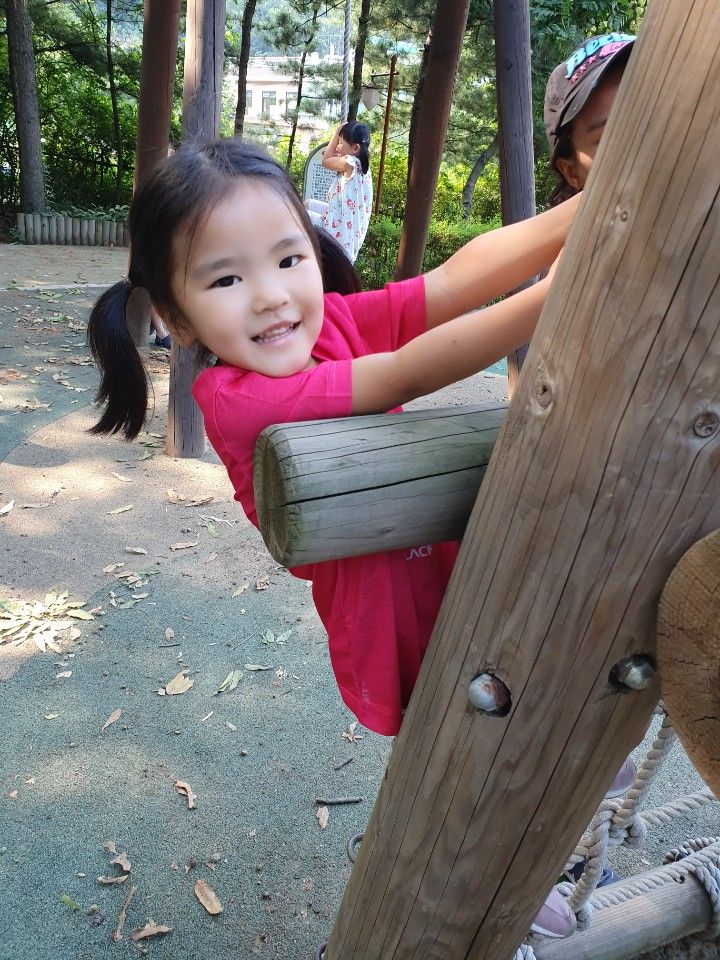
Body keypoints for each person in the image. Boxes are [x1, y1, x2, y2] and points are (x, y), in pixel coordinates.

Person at [88, 139, 581, 939]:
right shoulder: (238, 396)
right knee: (453, 761)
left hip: (455, 572)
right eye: (226, 278)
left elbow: (454, 282)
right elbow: (406, 375)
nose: (271, 297)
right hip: (390, 616)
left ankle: (534, 850)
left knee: (529, 716)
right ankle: (484, 894)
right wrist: (557, 294)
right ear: (178, 319)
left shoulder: (333, 322)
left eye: (289, 259)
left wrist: (583, 212)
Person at [544, 32, 640, 886]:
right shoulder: (570, 275)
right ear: (574, 170)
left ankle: (579, 848)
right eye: (616, 136)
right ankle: (554, 862)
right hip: (586, 553)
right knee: (572, 722)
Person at [305, 120, 373, 263]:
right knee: (308, 204)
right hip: (341, 222)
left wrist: (337, 133)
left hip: (338, 234)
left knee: (301, 215)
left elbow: (325, 161)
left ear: (355, 148)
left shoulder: (349, 162)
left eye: (341, 143)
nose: (338, 146)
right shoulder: (363, 168)